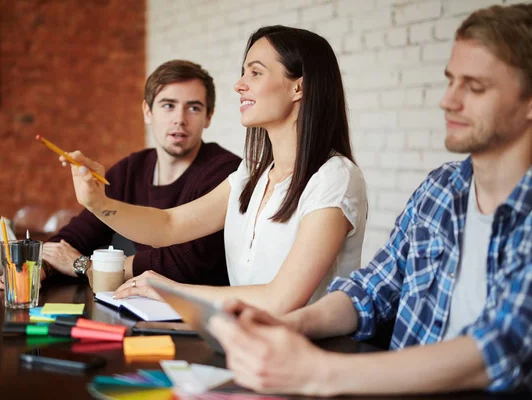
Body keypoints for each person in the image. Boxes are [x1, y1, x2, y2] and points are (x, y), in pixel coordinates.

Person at [209, 3, 532, 396]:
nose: (448, 100)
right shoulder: (440, 190)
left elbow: (501, 346)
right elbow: (370, 291)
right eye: (450, 81)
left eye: (475, 87)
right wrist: (292, 325)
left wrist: (318, 372)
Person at [65, 26, 368, 314]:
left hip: (308, 356)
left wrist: (175, 293)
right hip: (245, 342)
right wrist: (99, 203)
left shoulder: (334, 178)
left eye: (255, 72)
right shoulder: (252, 174)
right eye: (243, 72)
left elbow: (280, 300)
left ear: (298, 87)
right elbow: (169, 225)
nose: (239, 84)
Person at [0, 60, 241, 290]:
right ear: (147, 111)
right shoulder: (132, 168)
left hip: (203, 314)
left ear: (208, 116)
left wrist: (85, 266)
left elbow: (186, 262)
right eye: (168, 105)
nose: (180, 119)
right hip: (142, 305)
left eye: (194, 108)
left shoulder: (226, 171)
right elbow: (79, 233)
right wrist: (41, 269)